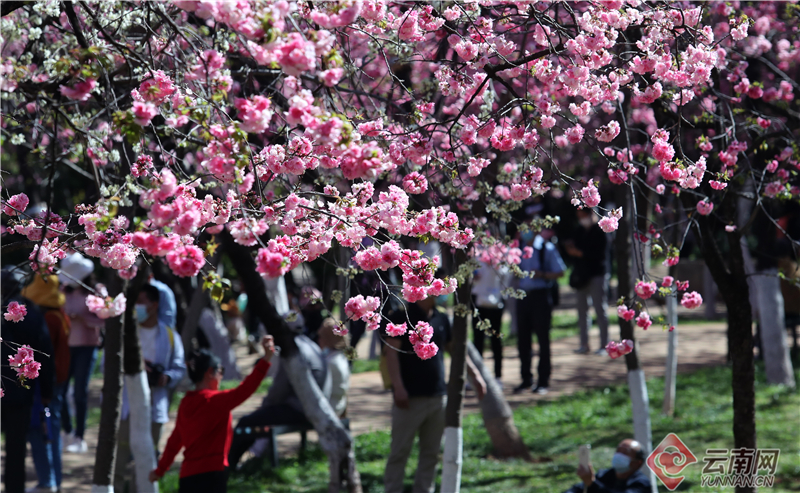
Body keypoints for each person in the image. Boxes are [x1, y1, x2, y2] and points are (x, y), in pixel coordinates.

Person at [383, 295, 486, 493]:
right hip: (409, 399)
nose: (442, 293)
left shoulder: (441, 318)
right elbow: (391, 354)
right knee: (399, 453)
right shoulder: (401, 316)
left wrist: (476, 376)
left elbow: (455, 350)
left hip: (438, 396)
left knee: (430, 454)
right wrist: (398, 387)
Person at [149, 336, 275, 492]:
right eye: (220, 370)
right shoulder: (215, 401)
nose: (221, 375)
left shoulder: (185, 404)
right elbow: (246, 389)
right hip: (212, 476)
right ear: (210, 372)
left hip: (187, 477)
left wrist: (159, 471)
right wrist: (266, 359)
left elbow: (174, 441)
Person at [115, 284, 186, 492]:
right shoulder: (125, 333)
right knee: (118, 459)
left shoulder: (170, 335)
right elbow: (106, 365)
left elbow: (179, 368)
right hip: (126, 408)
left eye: (140, 302)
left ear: (154, 305)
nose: (136, 307)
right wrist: (134, 367)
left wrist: (166, 377)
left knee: (147, 459)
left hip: (154, 408)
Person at [228, 331, 331, 468]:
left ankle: (228, 466)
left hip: (299, 409)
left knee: (246, 423)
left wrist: (264, 406)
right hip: (313, 406)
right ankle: (247, 461)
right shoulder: (309, 344)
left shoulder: (291, 351)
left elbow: (279, 390)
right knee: (256, 420)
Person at [1, 267, 55, 493]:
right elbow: (46, 354)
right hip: (21, 393)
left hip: (12, 391)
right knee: (16, 448)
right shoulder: (31, 313)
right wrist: (46, 393)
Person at [22, 274, 71, 493]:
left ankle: (47, 480)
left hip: (49, 382)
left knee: (42, 430)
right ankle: (55, 479)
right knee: (52, 429)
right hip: (59, 378)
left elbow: (45, 355)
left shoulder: (48, 319)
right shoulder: (60, 315)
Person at [59, 252, 102, 453]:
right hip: (67, 346)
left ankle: (80, 435)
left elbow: (106, 318)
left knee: (79, 392)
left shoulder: (95, 291)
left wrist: (84, 320)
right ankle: (67, 430)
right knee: (62, 389)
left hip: (87, 345)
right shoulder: (63, 291)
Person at [514, 227, 566, 395]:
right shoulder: (518, 249)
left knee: (543, 339)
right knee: (523, 339)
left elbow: (561, 271)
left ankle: (543, 381)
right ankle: (526, 379)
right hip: (523, 297)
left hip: (540, 297)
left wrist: (542, 274)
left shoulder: (546, 248)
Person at [565, 208, 611, 355]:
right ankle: (584, 344)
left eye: (583, 216)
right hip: (581, 276)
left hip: (597, 275)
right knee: (582, 311)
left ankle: (605, 345)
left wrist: (580, 253)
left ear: (591, 214)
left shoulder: (601, 231)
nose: (581, 219)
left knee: (600, 310)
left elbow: (600, 254)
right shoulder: (579, 231)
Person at [565, 439, 652, 493]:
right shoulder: (604, 475)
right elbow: (577, 488)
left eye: (624, 452)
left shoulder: (641, 484)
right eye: (618, 451)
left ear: (638, 462)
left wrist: (592, 483)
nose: (619, 455)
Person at [471, 260, 507, 384]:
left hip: (496, 302)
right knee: (478, 339)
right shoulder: (476, 255)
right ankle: (477, 376)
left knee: (495, 340)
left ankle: (498, 376)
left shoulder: (501, 255)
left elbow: (506, 276)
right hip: (478, 301)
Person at [318, 318, 350, 418]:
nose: (319, 340)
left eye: (321, 337)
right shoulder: (340, 357)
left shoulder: (330, 362)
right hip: (339, 405)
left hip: (331, 408)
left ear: (328, 339)